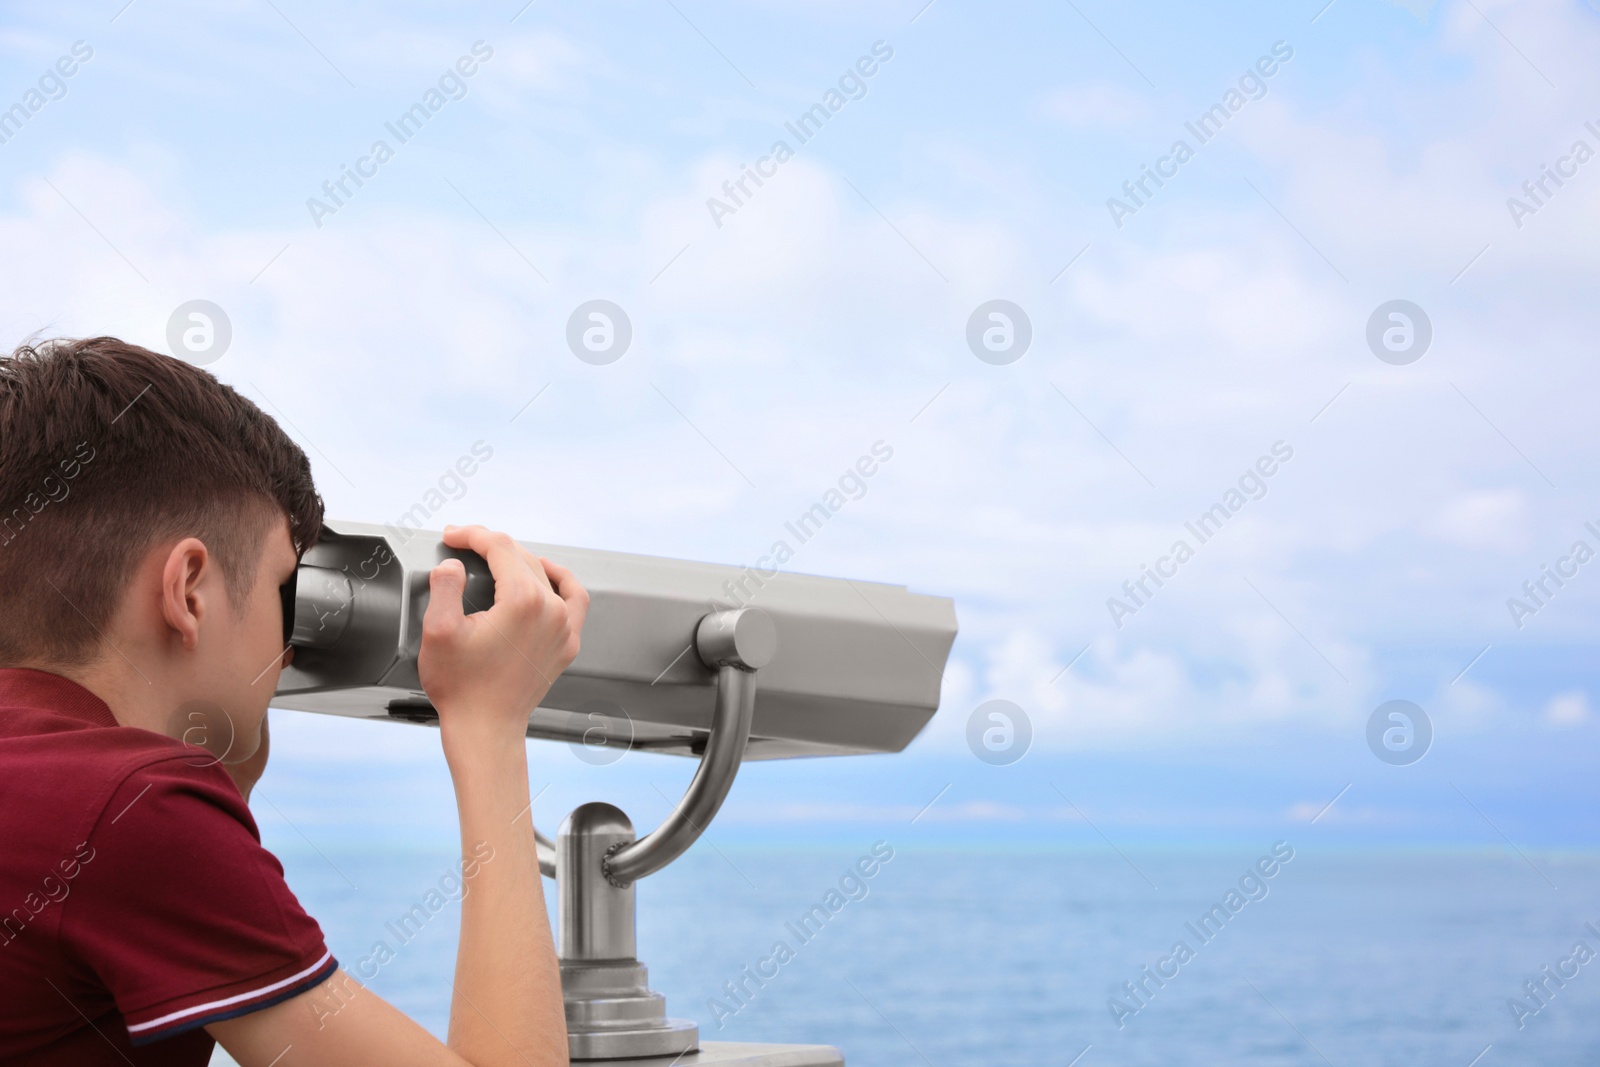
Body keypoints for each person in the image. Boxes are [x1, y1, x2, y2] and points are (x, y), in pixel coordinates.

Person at [0, 336, 583, 1066]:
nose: (288, 644)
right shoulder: (129, 809)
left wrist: (225, 735)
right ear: (188, 590)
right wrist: (490, 719)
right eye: (285, 589)